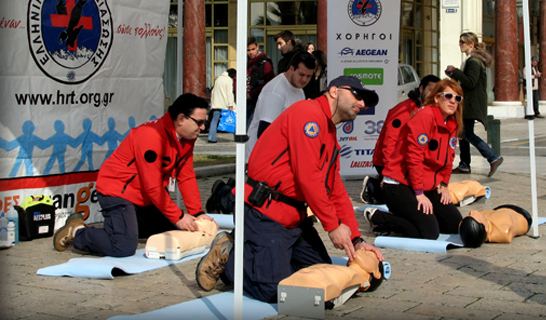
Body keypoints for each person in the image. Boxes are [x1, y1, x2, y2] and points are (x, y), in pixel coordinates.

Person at [195, 76, 384, 303]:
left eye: (365, 100)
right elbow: (309, 177)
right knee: (274, 291)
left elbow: (335, 191)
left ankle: (261, 258)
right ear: (334, 91)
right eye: (357, 95)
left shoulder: (330, 134)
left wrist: (355, 239)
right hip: (264, 214)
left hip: (294, 221)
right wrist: (333, 226)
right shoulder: (309, 115)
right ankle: (230, 256)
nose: (362, 104)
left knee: (319, 281)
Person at [53, 94, 214, 257]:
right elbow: (152, 185)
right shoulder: (151, 136)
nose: (202, 128)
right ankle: (78, 232)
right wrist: (178, 216)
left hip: (143, 196)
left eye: (204, 123)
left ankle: (128, 227)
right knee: (122, 247)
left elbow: (186, 176)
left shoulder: (186, 138)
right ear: (181, 119)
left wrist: (197, 213)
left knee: (176, 229)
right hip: (117, 192)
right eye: (199, 122)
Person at [364, 79, 464, 240]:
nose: (453, 101)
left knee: (454, 225)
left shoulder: (452, 123)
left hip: (425, 185)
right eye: (448, 96)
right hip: (400, 185)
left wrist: (444, 185)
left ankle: (418, 219)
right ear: (437, 98)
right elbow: (414, 157)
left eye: (457, 98)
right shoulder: (425, 115)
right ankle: (380, 218)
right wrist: (419, 193)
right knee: (429, 233)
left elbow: (449, 158)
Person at [361, 74, 440, 206]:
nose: (433, 95)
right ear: (421, 89)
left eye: (437, 92)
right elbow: (389, 142)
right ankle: (373, 187)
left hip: (407, 159)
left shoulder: (428, 111)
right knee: (406, 199)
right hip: (388, 161)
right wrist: (388, 172)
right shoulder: (403, 110)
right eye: (430, 90)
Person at [446, 32, 503, 177]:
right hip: (468, 102)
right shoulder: (472, 60)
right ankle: (464, 164)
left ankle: (493, 157)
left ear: (471, 44)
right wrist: (454, 75)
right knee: (462, 132)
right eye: (460, 41)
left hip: (471, 103)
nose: (460, 44)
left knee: (466, 132)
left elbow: (471, 82)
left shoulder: (474, 61)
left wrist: (455, 72)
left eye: (463, 42)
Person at [245, 52, 316, 161]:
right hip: (262, 158)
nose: (305, 80)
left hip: (279, 156)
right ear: (292, 68)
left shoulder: (299, 90)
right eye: (301, 75)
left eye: (308, 76)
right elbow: (264, 132)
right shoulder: (275, 91)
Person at [459, 204, 532, 248]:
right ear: (483, 227)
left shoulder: (484, 224)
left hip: (500, 210)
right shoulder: (503, 229)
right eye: (473, 216)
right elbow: (507, 235)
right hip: (521, 213)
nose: (472, 212)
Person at [245, 37, 275, 128]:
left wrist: (252, 94)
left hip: (259, 101)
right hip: (246, 101)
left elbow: (269, 83)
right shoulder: (245, 63)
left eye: (253, 49)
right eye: (248, 50)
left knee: (250, 129)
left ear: (257, 47)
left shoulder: (265, 63)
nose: (251, 52)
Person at [208, 69, 236, 143]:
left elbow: (213, 91)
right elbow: (229, 93)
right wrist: (231, 104)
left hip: (216, 103)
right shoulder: (229, 80)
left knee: (214, 120)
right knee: (233, 118)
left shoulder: (218, 79)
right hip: (225, 103)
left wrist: (212, 102)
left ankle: (211, 138)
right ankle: (237, 136)